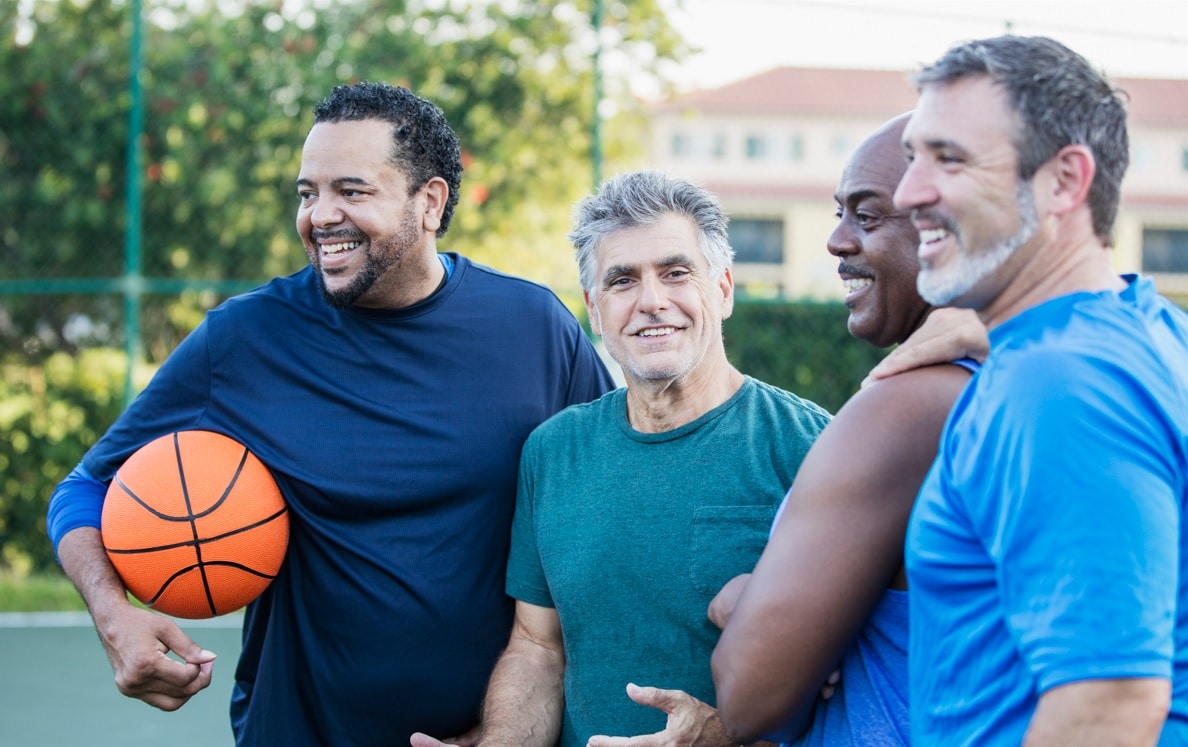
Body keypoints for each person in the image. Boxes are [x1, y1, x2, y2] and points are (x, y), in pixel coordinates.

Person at [45, 81, 615, 746]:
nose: (320, 216)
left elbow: (605, 506)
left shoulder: (531, 326)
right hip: (295, 730)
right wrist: (115, 615)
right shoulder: (246, 339)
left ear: (429, 202)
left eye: (351, 190)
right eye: (307, 193)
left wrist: (510, 729)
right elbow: (84, 489)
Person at [893, 36, 1188, 745]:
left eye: (950, 158)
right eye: (913, 157)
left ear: (1063, 181)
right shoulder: (1147, 331)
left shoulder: (1057, 385)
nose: (909, 193)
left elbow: (1110, 703)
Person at [708, 112, 977, 746]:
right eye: (838, 212)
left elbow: (750, 697)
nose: (836, 240)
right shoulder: (1099, 354)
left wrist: (747, 599)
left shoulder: (907, 407)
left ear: (944, 227)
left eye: (869, 215)